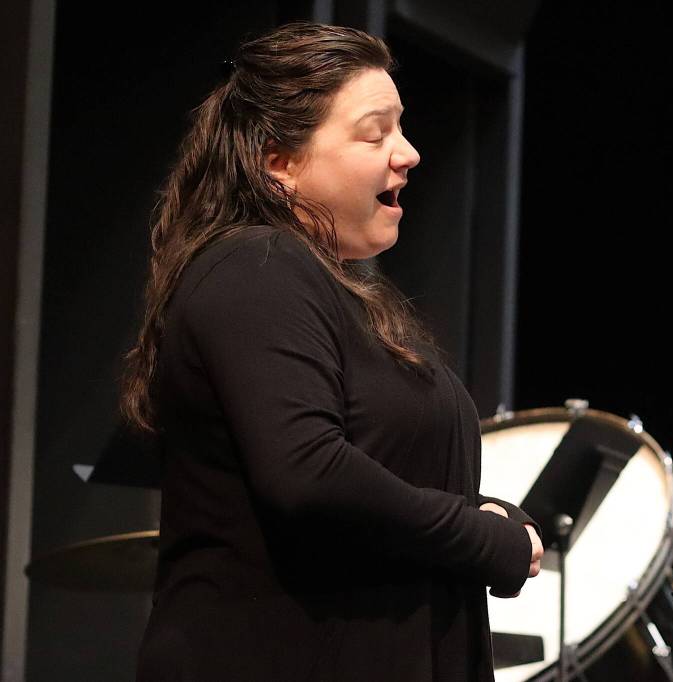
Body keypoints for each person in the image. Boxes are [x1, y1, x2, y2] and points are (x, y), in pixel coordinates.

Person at [121, 22, 543, 681]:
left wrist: (482, 514)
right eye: (375, 133)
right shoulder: (255, 265)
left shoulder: (317, 285)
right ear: (278, 163)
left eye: (401, 129)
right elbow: (309, 471)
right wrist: (477, 538)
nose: (408, 154)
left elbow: (375, 476)